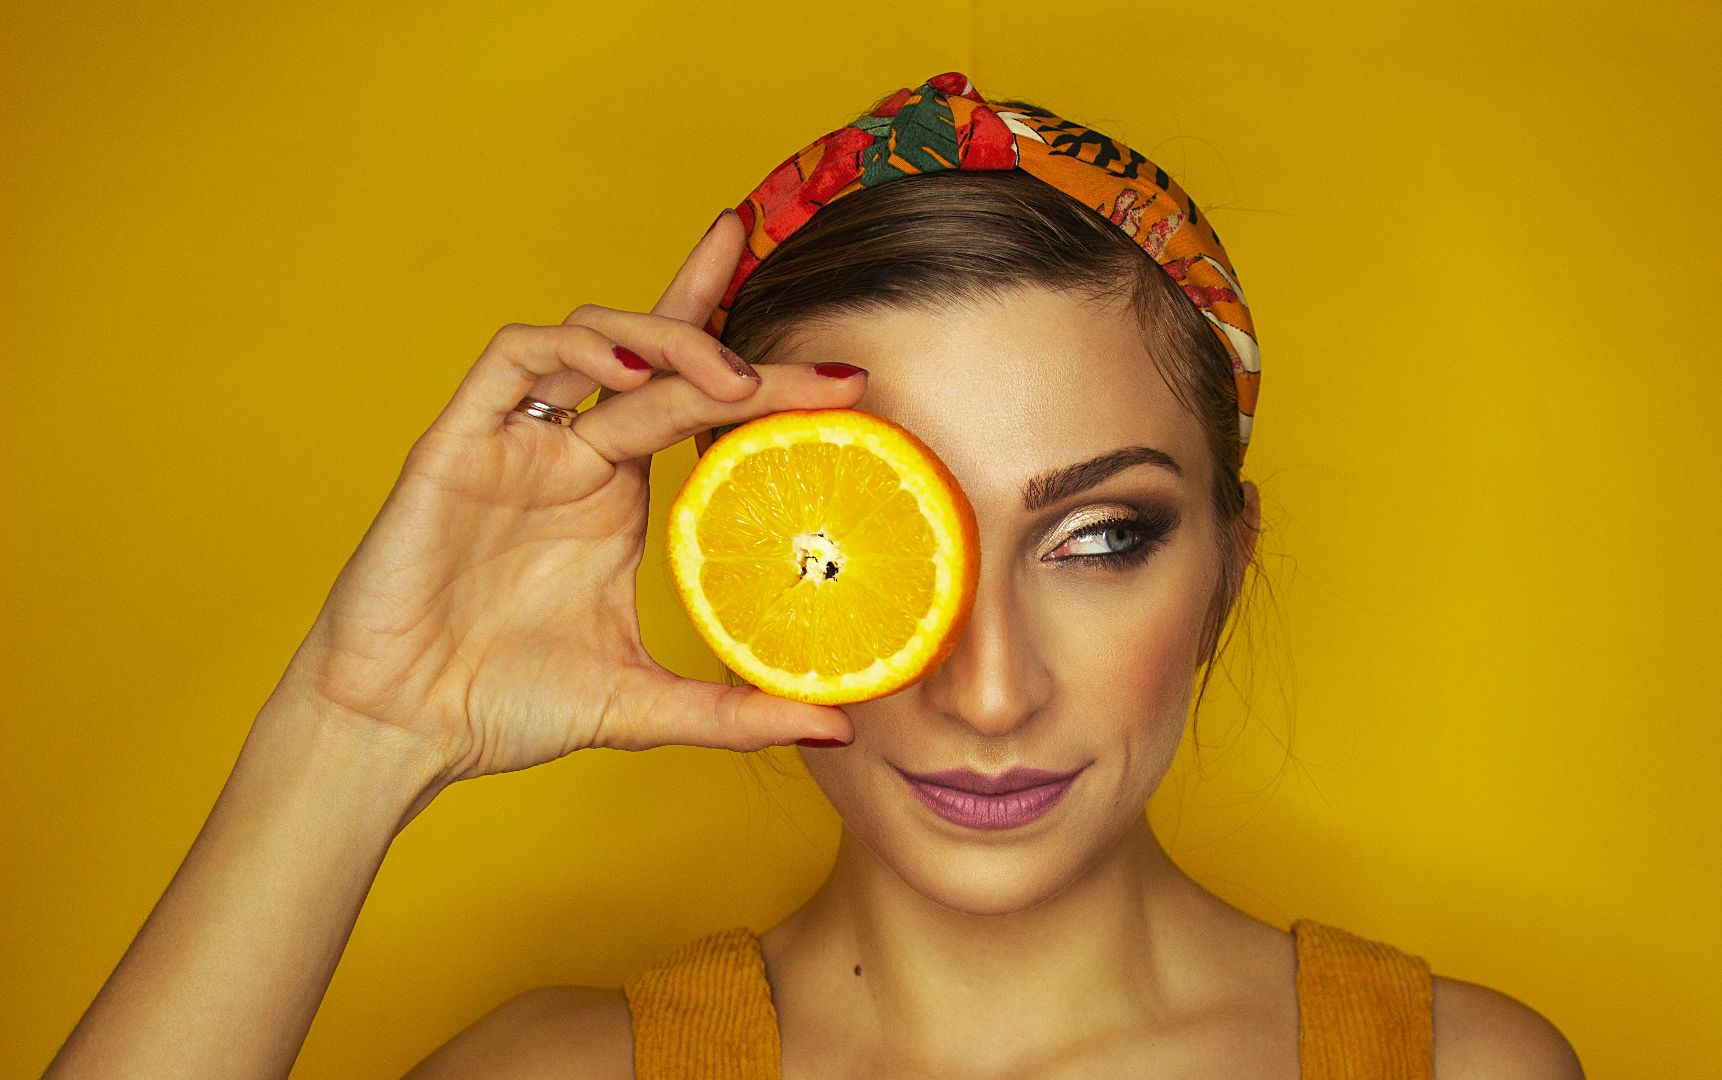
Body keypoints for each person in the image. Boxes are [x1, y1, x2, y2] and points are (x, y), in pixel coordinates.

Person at [42, 74, 1583, 1079]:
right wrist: (358, 729)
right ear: (741, 569)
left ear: (1224, 574)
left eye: (1101, 537)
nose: (989, 687)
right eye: (876, 545)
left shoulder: (1456, 1066)